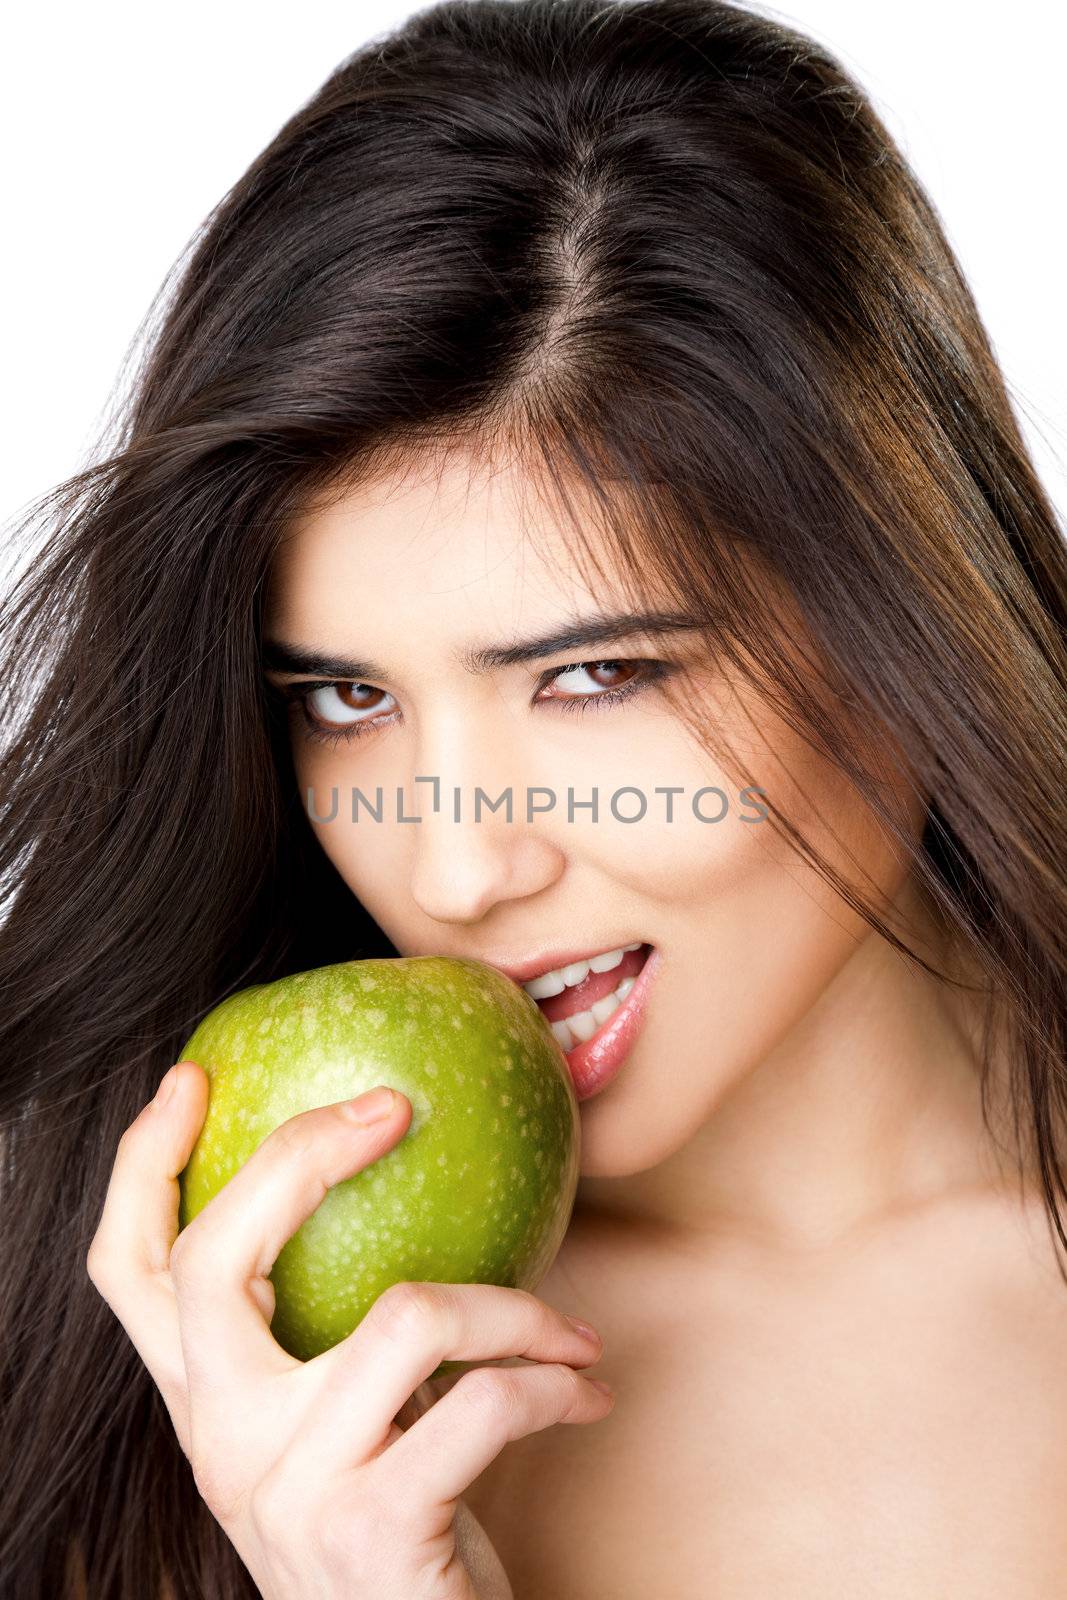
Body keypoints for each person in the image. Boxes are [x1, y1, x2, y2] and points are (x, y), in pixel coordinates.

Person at [1, 1, 1064, 1594]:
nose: (453, 867)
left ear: (901, 613)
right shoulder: (179, 1363)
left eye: (596, 677)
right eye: (345, 698)